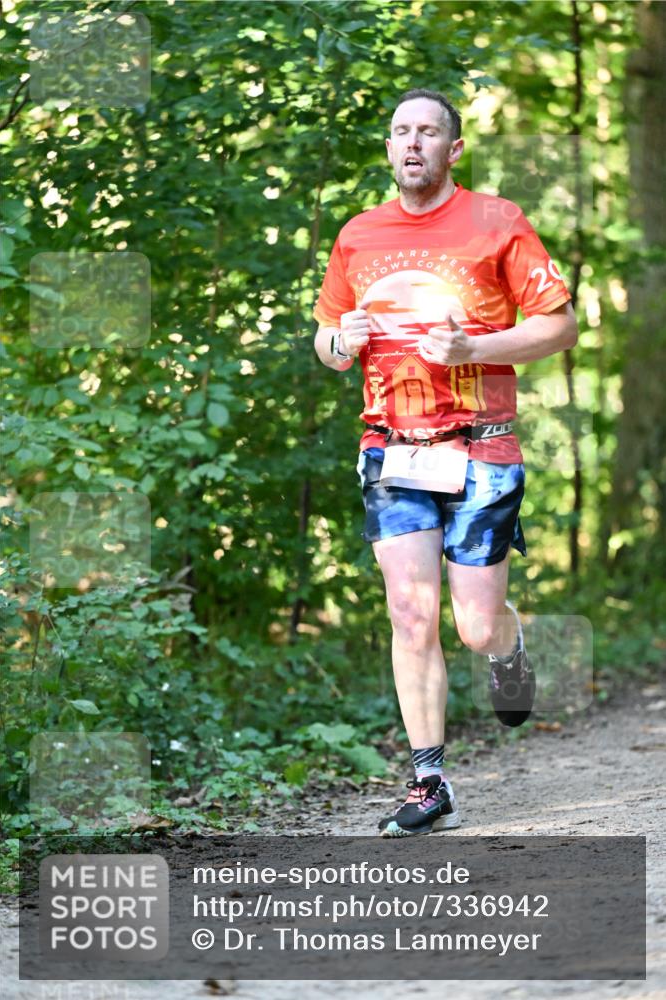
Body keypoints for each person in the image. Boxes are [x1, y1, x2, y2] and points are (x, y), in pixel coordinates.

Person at [313, 88, 577, 838]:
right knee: (408, 612)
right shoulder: (358, 234)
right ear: (388, 146)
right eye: (400, 131)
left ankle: (508, 645)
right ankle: (429, 781)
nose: (413, 143)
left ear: (453, 149)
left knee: (473, 623)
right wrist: (344, 342)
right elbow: (326, 344)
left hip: (482, 444)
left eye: (428, 131)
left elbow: (559, 326)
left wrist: (475, 349)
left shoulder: (496, 221)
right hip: (391, 447)